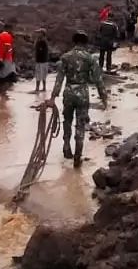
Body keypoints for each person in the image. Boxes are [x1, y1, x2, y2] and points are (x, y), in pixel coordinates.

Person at [44, 31, 107, 168]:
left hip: (68, 92)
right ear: (85, 43)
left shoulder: (65, 57)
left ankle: (66, 147)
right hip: (83, 93)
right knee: (80, 125)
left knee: (67, 121)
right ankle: (77, 157)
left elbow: (59, 79)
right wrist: (104, 98)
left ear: (74, 42)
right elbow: (98, 80)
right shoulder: (90, 58)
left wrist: (52, 98)